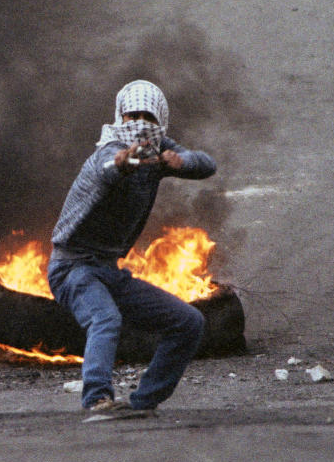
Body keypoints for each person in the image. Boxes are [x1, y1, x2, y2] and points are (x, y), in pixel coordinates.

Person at [46, 79, 217, 415]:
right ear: (119, 117)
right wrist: (126, 162)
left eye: (148, 118)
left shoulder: (160, 152)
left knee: (189, 322)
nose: (139, 123)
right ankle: (97, 398)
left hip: (108, 270)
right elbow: (109, 168)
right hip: (72, 267)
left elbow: (206, 164)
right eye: (131, 116)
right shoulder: (107, 150)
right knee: (105, 319)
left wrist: (179, 162)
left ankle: (143, 402)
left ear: (161, 123)